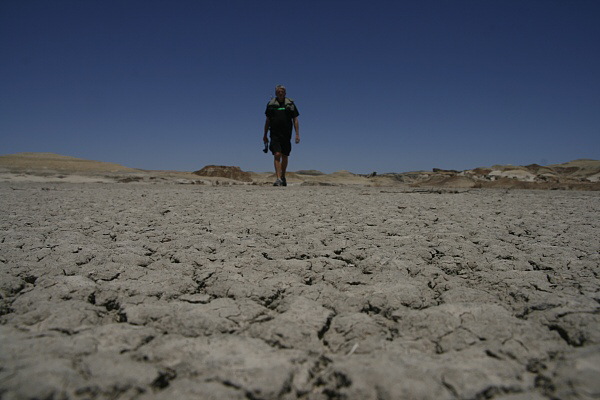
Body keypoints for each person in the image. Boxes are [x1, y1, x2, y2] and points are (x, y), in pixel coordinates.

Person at [263, 85, 300, 186]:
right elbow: (267, 120)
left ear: (285, 93)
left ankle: (283, 176)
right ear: (276, 93)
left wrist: (297, 134)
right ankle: (278, 178)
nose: (280, 93)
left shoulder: (290, 105)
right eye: (278, 91)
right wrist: (265, 135)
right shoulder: (271, 105)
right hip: (274, 133)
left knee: (285, 155)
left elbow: (295, 120)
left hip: (287, 134)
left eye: (282, 91)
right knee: (277, 154)